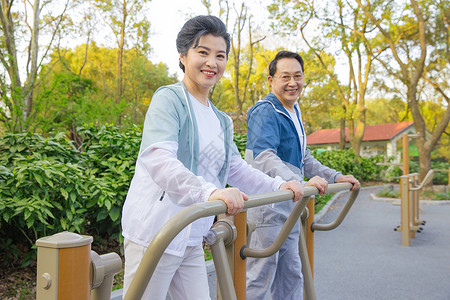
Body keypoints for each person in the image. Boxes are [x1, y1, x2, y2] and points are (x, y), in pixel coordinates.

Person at [121, 17, 304, 300]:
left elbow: (235, 168)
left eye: (220, 55)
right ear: (183, 56)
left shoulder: (221, 119)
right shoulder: (169, 100)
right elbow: (159, 160)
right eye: (202, 52)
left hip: (192, 234)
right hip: (156, 232)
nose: (212, 62)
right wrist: (212, 192)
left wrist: (280, 186)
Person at [245, 50, 360, 300]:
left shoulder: (294, 111)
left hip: (291, 205)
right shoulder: (266, 111)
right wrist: (298, 182)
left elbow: (303, 158)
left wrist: (335, 177)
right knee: (260, 277)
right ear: (271, 80)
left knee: (291, 275)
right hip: (269, 207)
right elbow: (264, 156)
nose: (292, 82)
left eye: (298, 76)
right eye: (285, 76)